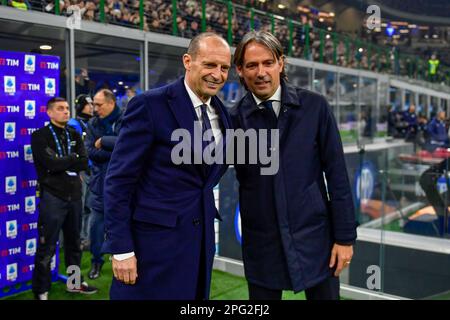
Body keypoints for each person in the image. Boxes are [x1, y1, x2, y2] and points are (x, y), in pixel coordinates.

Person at [102, 32, 232, 300]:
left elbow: (205, 179)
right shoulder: (150, 105)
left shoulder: (224, 113)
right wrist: (122, 249)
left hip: (200, 245)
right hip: (152, 247)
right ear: (187, 61)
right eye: (209, 65)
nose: (217, 74)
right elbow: (118, 180)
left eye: (224, 68)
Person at [230, 31, 357, 300]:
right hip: (261, 244)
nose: (261, 72)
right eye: (251, 65)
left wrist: (345, 238)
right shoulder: (233, 120)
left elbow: (337, 176)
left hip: (316, 238)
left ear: (281, 63)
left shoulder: (315, 107)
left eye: (268, 62)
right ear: (240, 70)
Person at [30, 97, 98, 300]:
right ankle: (41, 290)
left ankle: (74, 283)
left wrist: (66, 161)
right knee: (47, 246)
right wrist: (71, 160)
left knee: (74, 243)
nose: (66, 112)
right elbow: (50, 163)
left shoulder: (74, 134)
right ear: (49, 112)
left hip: (75, 195)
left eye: (67, 108)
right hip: (52, 197)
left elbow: (84, 162)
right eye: (60, 109)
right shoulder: (40, 136)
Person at [85, 89, 123, 279]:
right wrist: (115, 148)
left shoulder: (127, 118)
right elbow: (90, 152)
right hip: (100, 184)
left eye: (98, 104)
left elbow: (131, 145)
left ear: (111, 103)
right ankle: (96, 262)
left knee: (126, 225)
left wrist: (105, 141)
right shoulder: (93, 123)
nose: (94, 108)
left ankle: (125, 259)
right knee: (96, 227)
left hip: (125, 184)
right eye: (94, 104)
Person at [68, 94, 94, 251]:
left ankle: (87, 238)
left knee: (90, 207)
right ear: (80, 106)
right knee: (81, 207)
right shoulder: (73, 124)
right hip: (81, 171)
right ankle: (77, 239)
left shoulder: (92, 123)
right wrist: (76, 170)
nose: (92, 107)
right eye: (89, 104)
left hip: (93, 170)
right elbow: (73, 150)